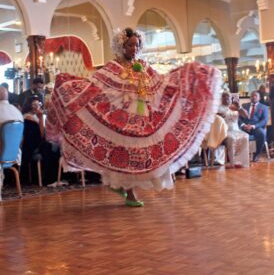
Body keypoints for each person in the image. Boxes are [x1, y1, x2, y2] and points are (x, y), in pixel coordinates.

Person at [46, 28, 222, 207]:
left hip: (142, 115)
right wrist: (69, 87)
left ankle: (122, 187)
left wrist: (187, 74)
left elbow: (161, 82)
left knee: (139, 152)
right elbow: (95, 86)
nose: (134, 48)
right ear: (122, 46)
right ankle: (128, 192)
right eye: (130, 45)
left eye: (137, 45)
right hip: (118, 117)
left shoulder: (143, 66)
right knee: (124, 152)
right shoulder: (113, 67)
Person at [218, 92, 249, 168]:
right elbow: (216, 118)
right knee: (232, 138)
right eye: (224, 96)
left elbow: (246, 115)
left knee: (245, 136)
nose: (226, 98)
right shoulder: (218, 108)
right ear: (221, 98)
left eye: (228, 96)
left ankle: (242, 162)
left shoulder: (235, 107)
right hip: (225, 131)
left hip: (236, 130)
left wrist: (239, 107)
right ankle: (233, 162)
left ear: (231, 98)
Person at [239, 91, 269, 162]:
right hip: (244, 127)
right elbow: (239, 118)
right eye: (252, 95)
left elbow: (264, 120)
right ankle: (240, 156)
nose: (254, 97)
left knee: (262, 134)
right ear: (250, 97)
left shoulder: (264, 107)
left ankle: (257, 155)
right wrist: (243, 125)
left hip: (256, 127)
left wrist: (254, 126)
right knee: (236, 133)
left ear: (259, 98)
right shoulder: (244, 105)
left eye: (255, 96)